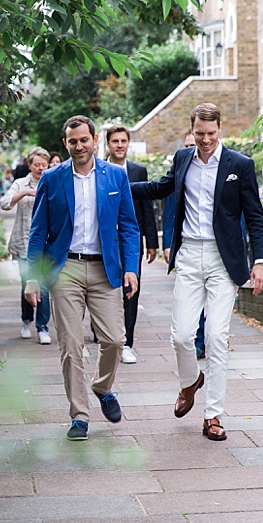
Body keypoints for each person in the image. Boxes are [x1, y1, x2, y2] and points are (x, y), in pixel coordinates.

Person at [130, 103, 263, 441]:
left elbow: (255, 217)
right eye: (199, 134)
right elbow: (162, 187)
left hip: (224, 260)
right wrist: (115, 185)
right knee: (180, 336)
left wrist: (261, 261)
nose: (205, 140)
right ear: (191, 130)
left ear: (220, 129)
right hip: (190, 255)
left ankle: (213, 415)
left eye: (210, 134)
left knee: (218, 337)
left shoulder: (240, 165)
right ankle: (189, 383)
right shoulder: (182, 159)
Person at [25, 115, 141, 441]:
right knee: (71, 344)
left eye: (84, 140)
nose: (79, 146)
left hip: (105, 268)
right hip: (66, 268)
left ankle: (102, 387)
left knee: (115, 340)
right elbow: (39, 232)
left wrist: (130, 267)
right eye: (72, 141)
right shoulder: (51, 179)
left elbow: (129, 227)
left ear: (94, 141)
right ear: (66, 143)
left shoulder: (115, 177)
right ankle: (79, 416)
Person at [105, 124, 158, 364]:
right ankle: (106, 337)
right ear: (108, 144)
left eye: (123, 141)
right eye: (115, 141)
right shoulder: (99, 170)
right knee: (105, 289)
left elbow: (147, 206)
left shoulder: (138, 171)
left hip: (131, 239)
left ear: (128, 144)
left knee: (131, 289)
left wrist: (152, 241)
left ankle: (127, 343)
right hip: (104, 240)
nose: (119, 145)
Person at [0, 147, 52, 343]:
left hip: (45, 245)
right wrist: (25, 193)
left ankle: (42, 327)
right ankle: (26, 320)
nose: (40, 168)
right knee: (28, 283)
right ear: (29, 165)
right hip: (23, 243)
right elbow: (4, 203)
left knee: (44, 286)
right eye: (36, 165)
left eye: (43, 165)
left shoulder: (52, 181)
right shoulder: (20, 183)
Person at [163, 130, 206, 360]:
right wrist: (168, 241)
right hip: (189, 247)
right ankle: (199, 341)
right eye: (189, 144)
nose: (195, 147)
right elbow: (170, 208)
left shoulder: (226, 166)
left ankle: (210, 336)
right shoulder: (182, 165)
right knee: (191, 301)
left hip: (218, 250)